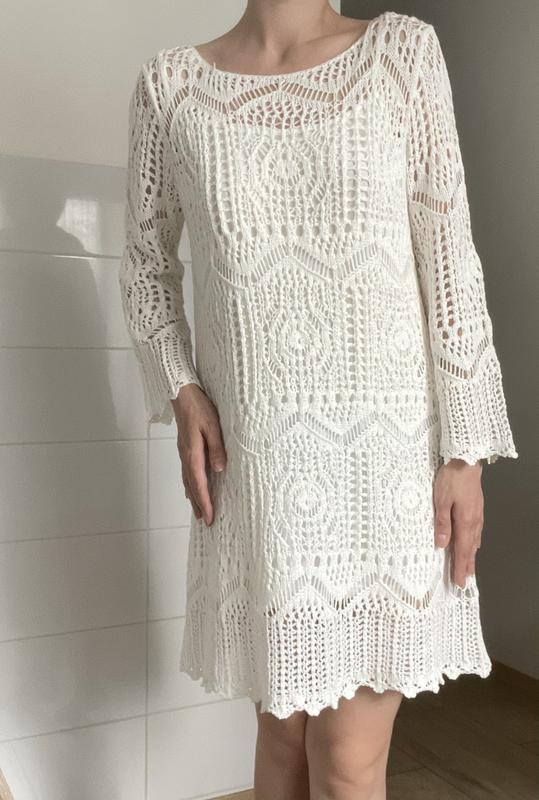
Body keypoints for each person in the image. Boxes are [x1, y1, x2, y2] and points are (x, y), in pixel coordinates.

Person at [118, 3, 518, 798]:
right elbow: (144, 269)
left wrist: (464, 452)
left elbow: (449, 260)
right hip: (261, 469)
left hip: (386, 468)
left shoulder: (400, 54)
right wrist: (181, 389)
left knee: (345, 760)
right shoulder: (171, 89)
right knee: (281, 739)